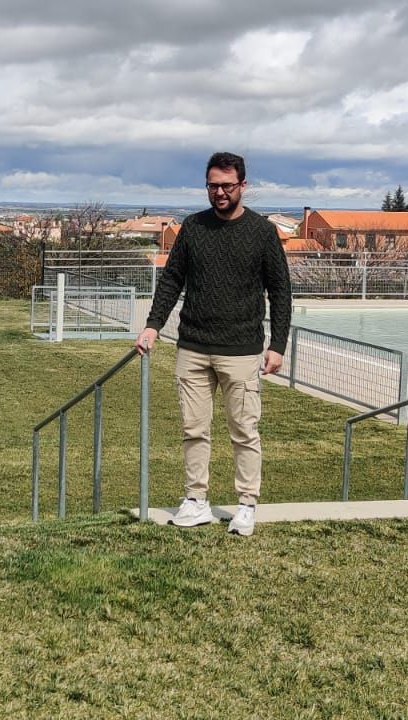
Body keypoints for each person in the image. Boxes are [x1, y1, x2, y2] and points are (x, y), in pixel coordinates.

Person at [135, 151, 291, 537]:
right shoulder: (192, 228)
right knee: (194, 430)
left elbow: (281, 292)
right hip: (193, 347)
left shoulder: (262, 233)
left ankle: (246, 505)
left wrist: (278, 345)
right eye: (212, 185)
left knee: (244, 431)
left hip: (241, 350)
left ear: (242, 186)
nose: (219, 192)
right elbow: (172, 280)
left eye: (226, 185)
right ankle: (196, 500)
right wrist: (153, 325)